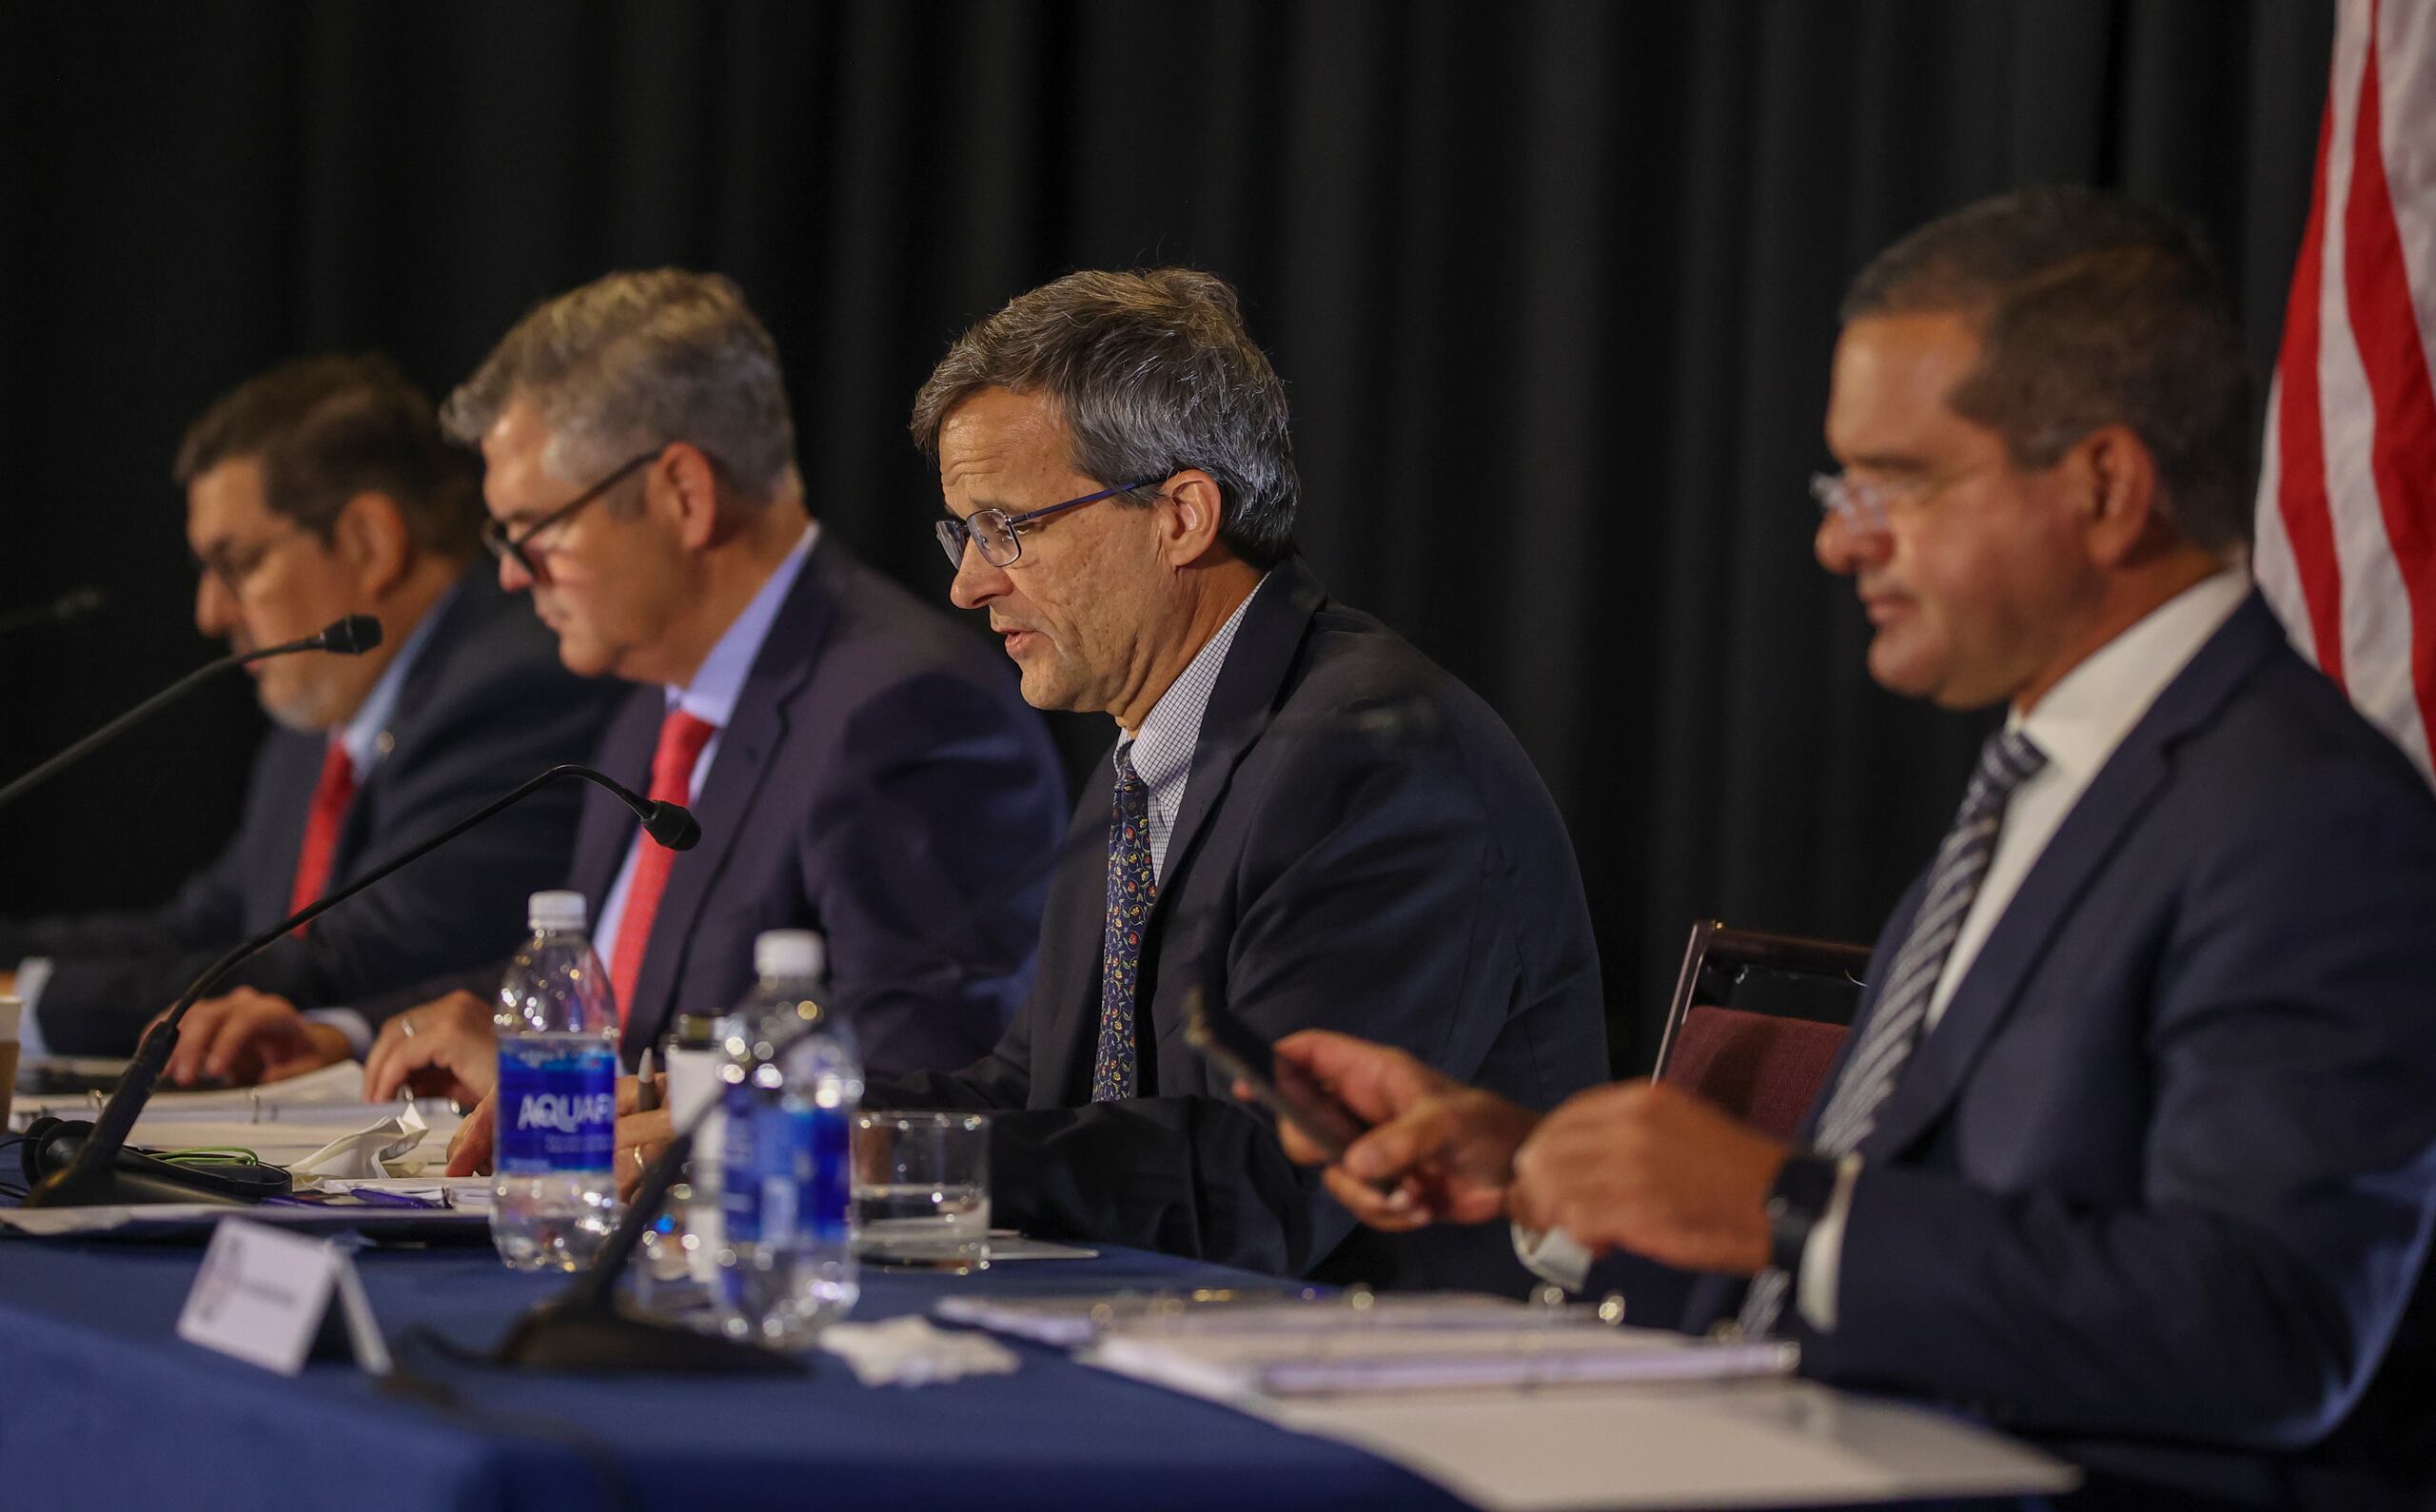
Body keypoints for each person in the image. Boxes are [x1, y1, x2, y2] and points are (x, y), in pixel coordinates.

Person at [1260, 187, 2436, 1509]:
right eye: (1844, 481)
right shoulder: (2030, 795)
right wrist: (1562, 1180)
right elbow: (1871, 1269)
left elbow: (2273, 1330)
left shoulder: (2306, 815)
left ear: (2107, 486)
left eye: (1902, 482)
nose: (1838, 536)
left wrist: (1783, 1203)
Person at [602, 267, 1609, 1292]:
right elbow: (1028, 1091)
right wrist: (708, 1107)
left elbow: (1272, 1177)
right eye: (963, 532)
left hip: (1391, 1388)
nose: (967, 582)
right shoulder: (1156, 747)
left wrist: (880, 1160)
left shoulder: (1371, 757)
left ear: (1180, 514)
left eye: (1009, 528)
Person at [339, 268, 1070, 1134]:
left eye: (533, 530)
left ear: (682, 495)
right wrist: (348, 1037)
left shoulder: (912, 712)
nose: (508, 572)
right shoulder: (653, 705)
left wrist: (585, 1097)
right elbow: (633, 1005)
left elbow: (920, 1094)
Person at [0, 355, 619, 1074]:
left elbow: (357, 961)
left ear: (369, 541)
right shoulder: (317, 725)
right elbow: (202, 929)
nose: (211, 612)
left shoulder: (516, 688)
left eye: (239, 563)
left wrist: (30, 1001)